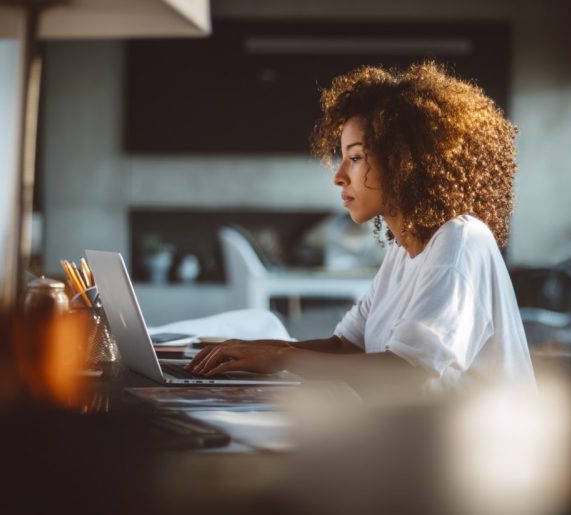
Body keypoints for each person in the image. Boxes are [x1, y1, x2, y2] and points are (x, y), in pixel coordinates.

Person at [188, 61, 535, 392]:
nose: (339, 177)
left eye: (354, 158)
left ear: (405, 162)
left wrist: (283, 357)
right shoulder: (404, 249)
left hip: (481, 451)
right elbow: (346, 347)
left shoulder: (460, 241)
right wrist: (252, 351)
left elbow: (406, 374)